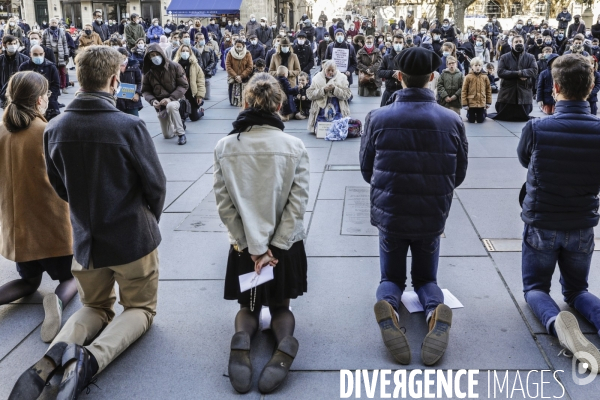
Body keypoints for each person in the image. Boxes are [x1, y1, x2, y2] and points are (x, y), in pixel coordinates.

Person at [9, 45, 166, 400]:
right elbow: (155, 186)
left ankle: (52, 357)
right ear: (114, 80)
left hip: (85, 242)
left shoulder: (54, 128)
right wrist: (148, 221)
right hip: (131, 239)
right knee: (140, 308)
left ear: (78, 79)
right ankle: (89, 361)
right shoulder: (130, 126)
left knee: (94, 307)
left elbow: (59, 186)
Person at [360, 47, 468, 367]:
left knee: (391, 277)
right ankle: (435, 309)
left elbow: (368, 170)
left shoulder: (378, 117)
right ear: (433, 78)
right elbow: (458, 173)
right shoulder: (451, 120)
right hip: (431, 214)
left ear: (398, 77)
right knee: (425, 279)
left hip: (391, 211)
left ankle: (389, 307)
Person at [215, 72, 309, 395]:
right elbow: (297, 206)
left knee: (249, 308)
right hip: (284, 249)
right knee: (281, 308)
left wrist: (252, 248)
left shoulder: (225, 147)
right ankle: (284, 344)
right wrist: (274, 249)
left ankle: (242, 340)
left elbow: (224, 205)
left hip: (245, 251)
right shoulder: (295, 147)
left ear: (245, 102)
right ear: (280, 105)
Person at [517, 54, 600, 377]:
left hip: (542, 221)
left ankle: (556, 324)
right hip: (582, 222)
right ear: (591, 87)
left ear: (555, 88)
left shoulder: (537, 127)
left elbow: (526, 162)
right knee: (578, 290)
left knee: (536, 288)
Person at [0, 71, 77, 346]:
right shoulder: (47, 131)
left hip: (19, 229)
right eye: (47, 93)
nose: (50, 97)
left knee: (29, 282)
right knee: (71, 277)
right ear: (39, 101)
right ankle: (56, 302)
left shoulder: (2, 131)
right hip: (52, 226)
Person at [142, 43, 190, 145]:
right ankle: (179, 123)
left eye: (156, 54)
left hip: (176, 99)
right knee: (167, 135)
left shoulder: (175, 66)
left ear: (161, 53)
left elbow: (184, 85)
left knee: (171, 106)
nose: (155, 57)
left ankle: (181, 134)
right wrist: (152, 100)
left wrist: (170, 98)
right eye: (152, 55)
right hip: (160, 103)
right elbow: (145, 90)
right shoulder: (148, 72)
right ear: (149, 58)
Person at [490, 35, 538, 121]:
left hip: (524, 92)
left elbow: (534, 70)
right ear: (512, 44)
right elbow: (501, 72)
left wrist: (522, 72)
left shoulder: (530, 57)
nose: (518, 43)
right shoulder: (504, 57)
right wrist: (518, 74)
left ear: (524, 44)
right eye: (516, 42)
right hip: (507, 93)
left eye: (520, 42)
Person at [306, 60, 351, 133]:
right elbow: (309, 94)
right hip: (320, 112)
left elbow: (347, 94)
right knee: (321, 131)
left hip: (338, 111)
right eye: (328, 70)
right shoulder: (317, 78)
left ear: (336, 69)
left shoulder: (342, 78)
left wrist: (335, 89)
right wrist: (323, 90)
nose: (330, 72)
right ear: (324, 69)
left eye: (332, 70)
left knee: (337, 130)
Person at [18, 45, 60, 120]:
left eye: (40, 54)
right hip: (29, 103)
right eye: (35, 54)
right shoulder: (24, 67)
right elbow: (20, 85)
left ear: (44, 54)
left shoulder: (51, 67)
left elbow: (56, 85)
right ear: (30, 54)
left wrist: (47, 98)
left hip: (48, 101)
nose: (38, 56)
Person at [174, 44, 206, 122]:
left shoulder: (195, 65)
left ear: (190, 52)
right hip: (180, 94)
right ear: (179, 52)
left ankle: (200, 111)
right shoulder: (175, 65)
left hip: (191, 94)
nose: (185, 52)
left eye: (187, 51)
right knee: (182, 117)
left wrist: (199, 96)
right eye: (183, 51)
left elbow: (200, 80)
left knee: (194, 118)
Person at [42, 18, 69, 94]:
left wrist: (66, 53)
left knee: (62, 71)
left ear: (57, 24)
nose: (54, 24)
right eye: (52, 22)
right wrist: (45, 53)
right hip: (50, 54)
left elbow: (64, 43)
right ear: (49, 23)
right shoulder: (46, 32)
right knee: (52, 71)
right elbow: (43, 43)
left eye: (55, 23)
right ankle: (54, 88)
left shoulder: (61, 32)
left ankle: (63, 87)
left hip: (60, 54)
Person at [461, 57, 492, 123]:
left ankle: (483, 113)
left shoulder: (485, 77)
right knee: (471, 120)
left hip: (481, 102)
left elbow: (488, 90)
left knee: (480, 120)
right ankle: (469, 114)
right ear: (472, 66)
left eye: (479, 65)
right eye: (475, 65)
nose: (478, 67)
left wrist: (488, 102)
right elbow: (464, 91)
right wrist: (465, 104)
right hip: (471, 103)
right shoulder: (468, 77)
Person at [0, 35, 29, 102]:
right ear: (4, 45)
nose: (13, 46)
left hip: (20, 94)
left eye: (14, 43)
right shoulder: (1, 60)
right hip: (4, 94)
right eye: (10, 44)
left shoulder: (25, 59)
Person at [115, 48, 143, 117]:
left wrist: (138, 93)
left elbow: (140, 82)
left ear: (126, 56)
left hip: (132, 100)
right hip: (118, 101)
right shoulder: (113, 66)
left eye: (122, 58)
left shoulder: (134, 65)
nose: (121, 60)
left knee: (134, 122)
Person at [378, 34, 404, 106]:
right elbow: (379, 72)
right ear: (392, 43)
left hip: (403, 92)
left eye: (400, 42)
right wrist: (392, 73)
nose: (398, 44)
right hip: (389, 91)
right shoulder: (386, 58)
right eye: (396, 42)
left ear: (403, 43)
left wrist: (402, 74)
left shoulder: (407, 58)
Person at [225, 39, 253, 107]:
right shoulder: (230, 53)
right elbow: (228, 66)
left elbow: (250, 67)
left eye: (240, 46)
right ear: (234, 46)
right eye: (237, 46)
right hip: (233, 78)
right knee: (232, 98)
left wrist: (241, 76)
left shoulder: (247, 53)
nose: (238, 48)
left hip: (244, 78)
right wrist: (235, 76)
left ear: (243, 46)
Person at [194, 34, 216, 100]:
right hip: (196, 74)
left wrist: (206, 70)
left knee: (207, 97)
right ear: (196, 40)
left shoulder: (209, 50)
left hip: (206, 74)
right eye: (200, 39)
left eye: (203, 38)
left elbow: (212, 62)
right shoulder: (193, 50)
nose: (202, 40)